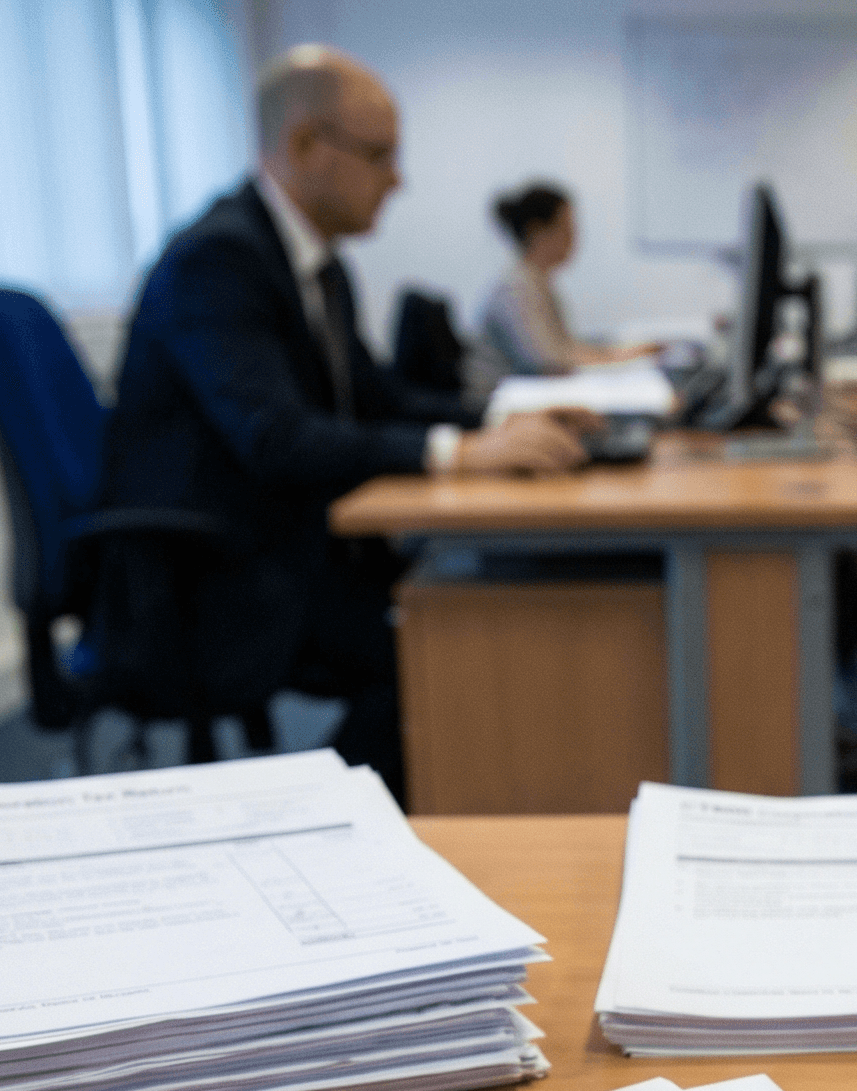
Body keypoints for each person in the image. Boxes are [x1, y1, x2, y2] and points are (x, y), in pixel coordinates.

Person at [99, 46, 590, 798]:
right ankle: (308, 831)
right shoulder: (219, 260)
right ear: (304, 148)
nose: (398, 179)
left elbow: (378, 397)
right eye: (380, 155)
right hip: (218, 576)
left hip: (298, 543)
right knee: (445, 647)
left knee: (488, 600)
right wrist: (461, 452)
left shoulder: (318, 265)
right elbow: (276, 438)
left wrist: (503, 417)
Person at [479, 183, 652, 374]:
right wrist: (621, 357)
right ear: (536, 231)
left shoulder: (535, 281)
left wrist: (626, 353)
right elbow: (549, 361)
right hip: (502, 397)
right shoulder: (516, 288)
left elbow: (564, 348)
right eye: (566, 228)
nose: (574, 237)